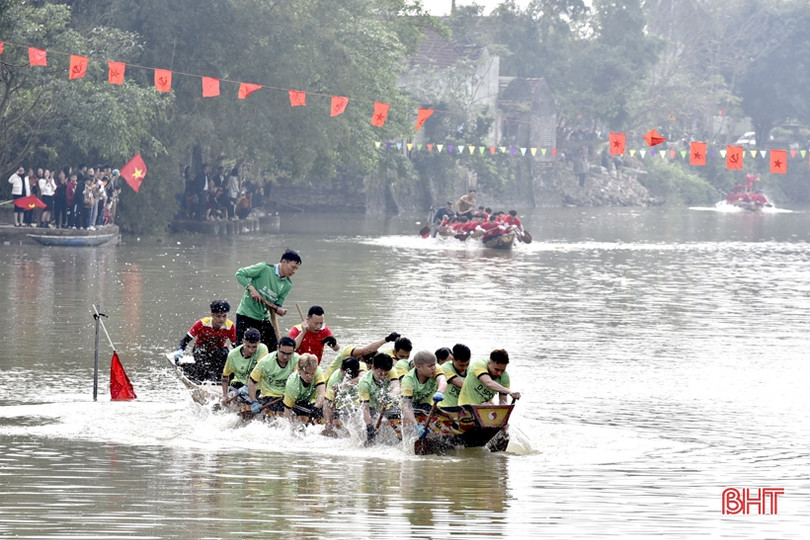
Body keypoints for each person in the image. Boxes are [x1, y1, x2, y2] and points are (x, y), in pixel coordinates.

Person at [234, 250, 302, 351]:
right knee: (243, 349)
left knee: (273, 349)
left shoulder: (287, 284)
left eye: (296, 269)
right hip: (246, 315)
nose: (294, 271)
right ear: (283, 262)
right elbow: (240, 274)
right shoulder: (264, 268)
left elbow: (278, 303)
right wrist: (251, 288)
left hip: (263, 318)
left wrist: (279, 309)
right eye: (292, 267)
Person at [173, 300, 237, 383]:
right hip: (201, 348)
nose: (222, 319)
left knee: (226, 362)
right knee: (203, 368)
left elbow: (236, 347)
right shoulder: (201, 323)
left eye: (224, 316)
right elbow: (185, 340)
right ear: (212, 315)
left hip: (219, 349)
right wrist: (180, 350)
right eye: (218, 316)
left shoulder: (230, 326)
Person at [400, 350, 448, 436]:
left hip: (427, 406)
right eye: (430, 366)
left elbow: (442, 381)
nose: (433, 368)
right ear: (418, 367)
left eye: (434, 365)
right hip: (411, 408)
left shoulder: (436, 368)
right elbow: (406, 406)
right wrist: (415, 425)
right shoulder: (408, 380)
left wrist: (440, 392)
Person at [247, 336, 299, 414]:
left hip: (289, 396)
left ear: (294, 351)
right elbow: (251, 382)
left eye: (289, 354)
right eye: (283, 353)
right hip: (269, 396)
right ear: (278, 348)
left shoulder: (298, 360)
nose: (285, 357)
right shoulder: (265, 362)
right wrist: (254, 401)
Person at [359, 352, 401, 441]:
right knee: (373, 427)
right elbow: (365, 408)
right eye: (380, 374)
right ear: (373, 368)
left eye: (386, 374)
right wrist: (369, 425)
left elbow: (396, 386)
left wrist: (390, 396)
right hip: (371, 406)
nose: (383, 377)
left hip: (388, 402)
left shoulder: (391, 370)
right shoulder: (364, 383)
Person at [323, 332, 400, 381]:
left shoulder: (363, 366)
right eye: (369, 366)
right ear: (363, 359)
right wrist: (387, 339)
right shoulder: (347, 351)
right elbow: (365, 350)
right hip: (327, 384)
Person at [220, 327, 268, 405]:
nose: (251, 350)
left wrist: (248, 386)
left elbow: (262, 370)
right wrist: (225, 396)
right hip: (239, 385)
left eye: (254, 347)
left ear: (258, 343)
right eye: (248, 346)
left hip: (256, 386)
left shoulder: (262, 349)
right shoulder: (233, 355)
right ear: (243, 342)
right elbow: (225, 376)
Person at [322, 356, 362, 436]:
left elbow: (362, 377)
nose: (349, 376)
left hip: (357, 404)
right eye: (346, 375)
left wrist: (343, 385)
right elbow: (327, 403)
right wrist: (328, 423)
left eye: (352, 375)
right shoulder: (334, 379)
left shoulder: (362, 366)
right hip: (340, 406)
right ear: (341, 369)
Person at [282, 353, 326, 422]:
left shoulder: (318, 371)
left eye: (312, 374)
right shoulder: (292, 384)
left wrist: (316, 408)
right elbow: (288, 410)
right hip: (297, 403)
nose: (310, 377)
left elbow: (322, 393)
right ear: (299, 370)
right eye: (307, 373)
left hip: (312, 401)